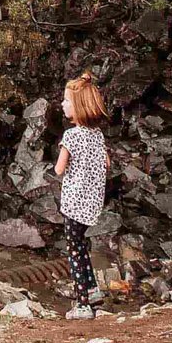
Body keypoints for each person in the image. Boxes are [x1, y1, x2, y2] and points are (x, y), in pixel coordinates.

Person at [54, 73, 110, 318]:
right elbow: (106, 164)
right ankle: (93, 289)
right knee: (81, 244)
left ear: (78, 107)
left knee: (74, 250)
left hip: (74, 204)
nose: (63, 105)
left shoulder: (71, 136)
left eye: (67, 101)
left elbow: (59, 168)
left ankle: (82, 303)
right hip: (93, 205)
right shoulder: (98, 136)